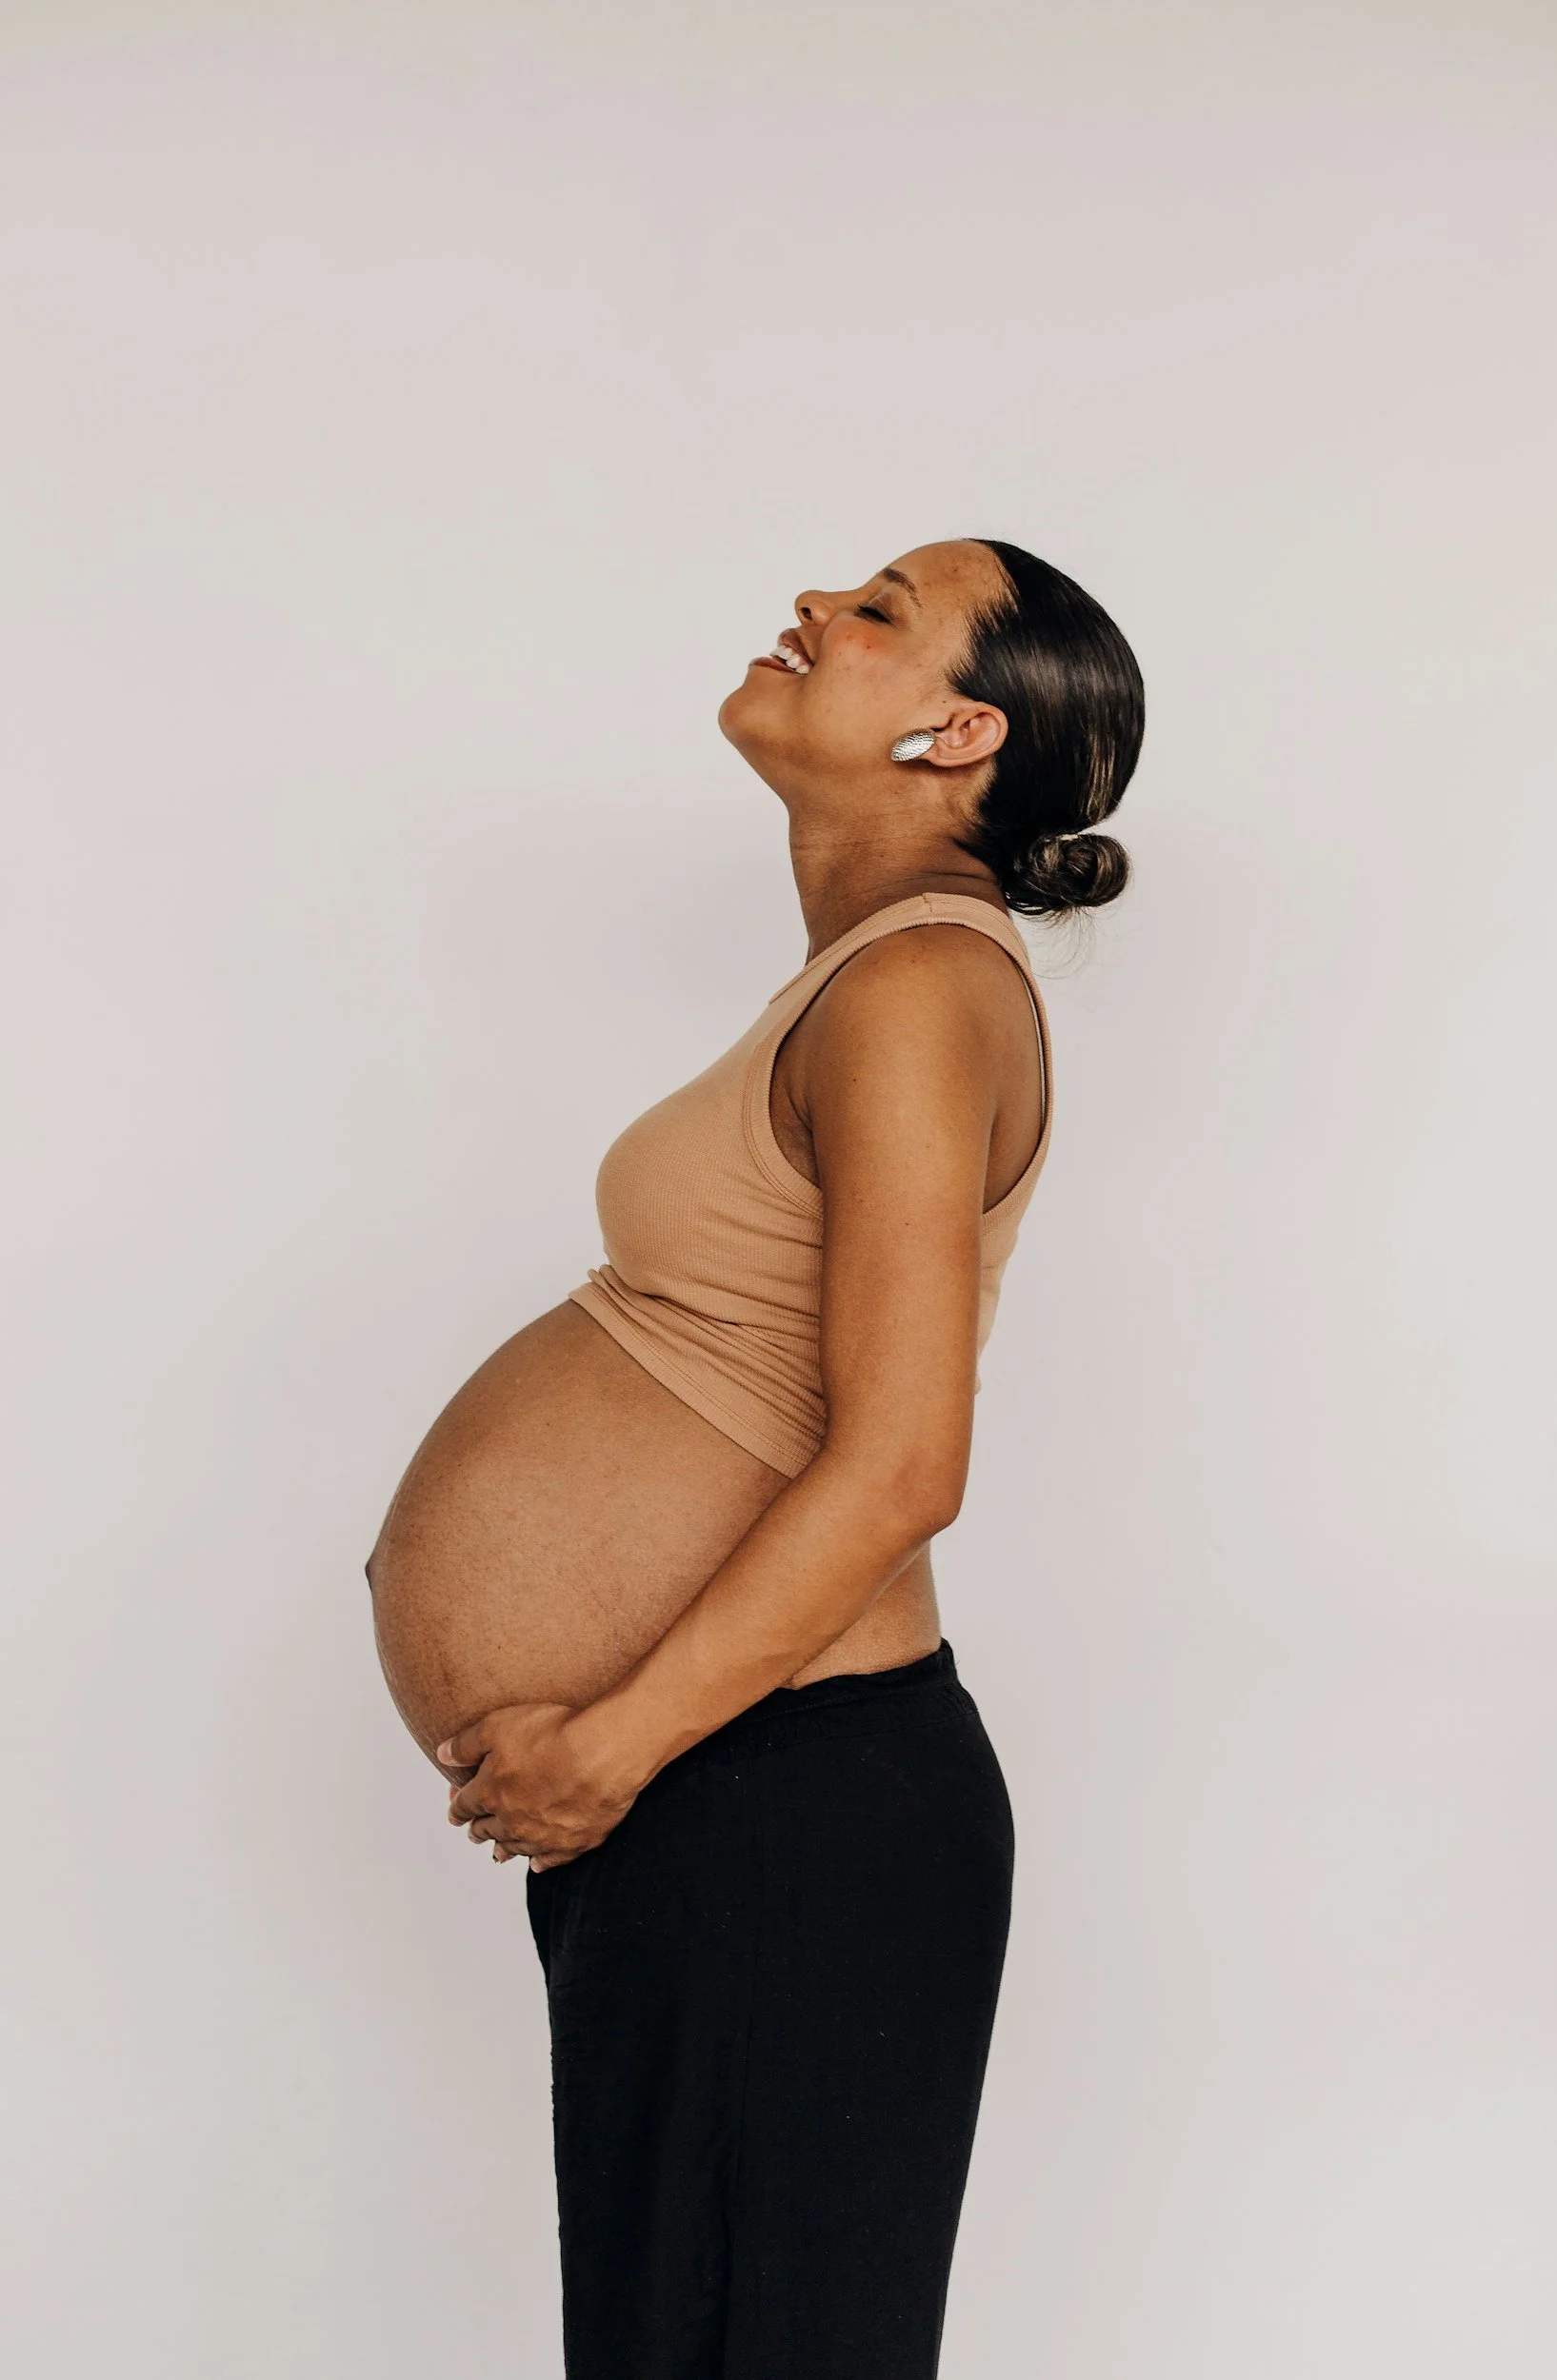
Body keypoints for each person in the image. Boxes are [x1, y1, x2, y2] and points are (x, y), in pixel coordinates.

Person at [367, 537, 1145, 2379]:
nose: (812, 606)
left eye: (878, 611)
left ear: (959, 731)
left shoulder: (917, 987)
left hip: (768, 1791)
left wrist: (607, 1747)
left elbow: (903, 1462)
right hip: (722, 1797)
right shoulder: (870, 979)